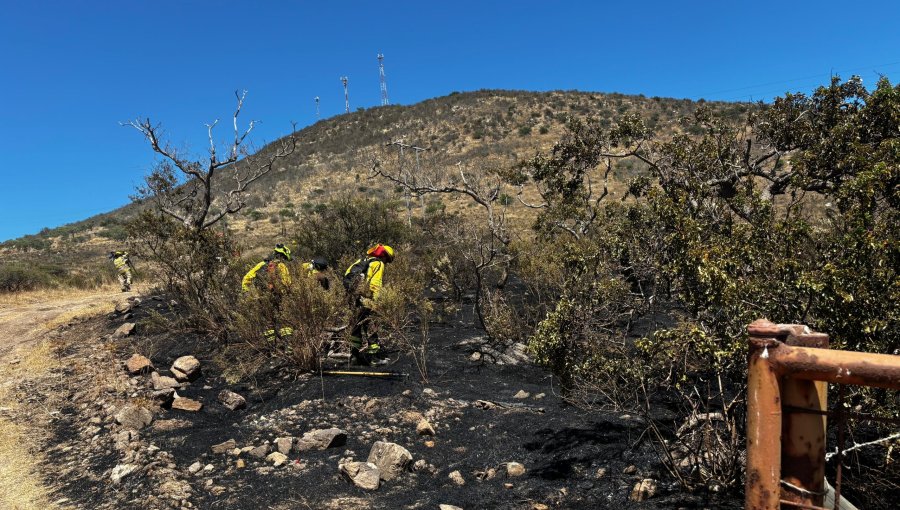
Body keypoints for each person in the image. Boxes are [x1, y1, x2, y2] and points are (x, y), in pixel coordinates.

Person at [343, 244, 394, 366]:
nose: (386, 263)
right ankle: (373, 359)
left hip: (353, 299)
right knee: (371, 327)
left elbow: (346, 276)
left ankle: (354, 357)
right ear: (384, 256)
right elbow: (375, 285)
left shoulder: (361, 261)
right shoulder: (378, 263)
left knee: (356, 327)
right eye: (387, 260)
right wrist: (375, 304)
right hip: (366, 300)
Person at [242, 243, 293, 340]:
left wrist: (247, 292)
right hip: (277, 297)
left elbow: (246, 278)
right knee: (283, 320)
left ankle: (271, 346)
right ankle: (286, 343)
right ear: (283, 257)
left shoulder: (261, 264)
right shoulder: (281, 266)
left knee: (268, 321)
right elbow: (287, 283)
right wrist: (286, 295)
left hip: (262, 297)